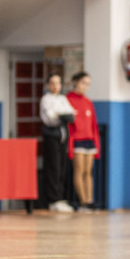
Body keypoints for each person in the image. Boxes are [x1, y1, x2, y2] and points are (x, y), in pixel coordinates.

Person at [40, 73, 76, 213]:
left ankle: (60, 198)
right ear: (48, 85)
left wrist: (61, 114)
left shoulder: (62, 98)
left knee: (62, 167)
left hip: (63, 135)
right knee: (53, 167)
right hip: (51, 136)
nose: (56, 86)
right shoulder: (45, 99)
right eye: (53, 83)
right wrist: (62, 115)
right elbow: (51, 117)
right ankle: (53, 199)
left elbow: (71, 115)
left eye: (58, 83)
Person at [66, 72, 100, 212]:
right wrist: (70, 144)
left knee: (88, 172)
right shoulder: (68, 100)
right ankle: (82, 202)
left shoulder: (88, 102)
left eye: (88, 84)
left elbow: (94, 125)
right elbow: (69, 126)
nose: (85, 87)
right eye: (83, 83)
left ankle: (89, 200)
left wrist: (97, 145)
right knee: (79, 171)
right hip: (77, 141)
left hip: (89, 140)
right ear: (75, 82)